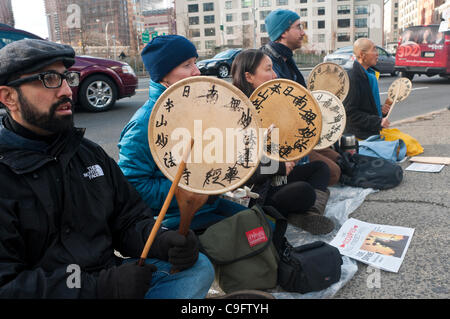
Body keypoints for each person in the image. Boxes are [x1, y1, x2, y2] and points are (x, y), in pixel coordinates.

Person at [0, 39, 214, 298]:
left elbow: (129, 219)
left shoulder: (87, 153)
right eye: (49, 79)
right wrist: (99, 288)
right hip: (65, 289)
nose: (67, 91)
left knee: (198, 267)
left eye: (67, 78)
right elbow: (9, 285)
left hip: (105, 274)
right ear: (8, 96)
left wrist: (159, 240)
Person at [117, 35, 246, 231]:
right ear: (163, 75)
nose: (197, 71)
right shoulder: (145, 123)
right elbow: (133, 185)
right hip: (173, 219)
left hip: (209, 205)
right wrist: (197, 188)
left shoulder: (195, 106)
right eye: (187, 65)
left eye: (195, 63)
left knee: (264, 226)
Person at [231, 49, 335, 235]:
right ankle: (290, 213)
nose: (275, 75)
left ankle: (310, 214)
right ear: (249, 76)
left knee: (320, 169)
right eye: (268, 69)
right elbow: (240, 171)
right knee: (304, 191)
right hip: (256, 194)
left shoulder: (274, 103)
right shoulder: (238, 113)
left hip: (274, 180)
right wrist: (278, 166)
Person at [262, 9, 342, 186]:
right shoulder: (269, 62)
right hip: (284, 140)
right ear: (283, 32)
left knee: (338, 158)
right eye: (299, 27)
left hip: (299, 132)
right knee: (332, 172)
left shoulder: (285, 58)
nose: (303, 32)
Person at [343, 38, 392, 140]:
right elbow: (350, 114)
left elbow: (365, 107)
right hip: (358, 136)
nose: (377, 54)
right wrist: (377, 121)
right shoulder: (353, 78)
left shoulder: (370, 75)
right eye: (374, 50)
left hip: (372, 131)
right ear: (362, 55)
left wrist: (380, 109)